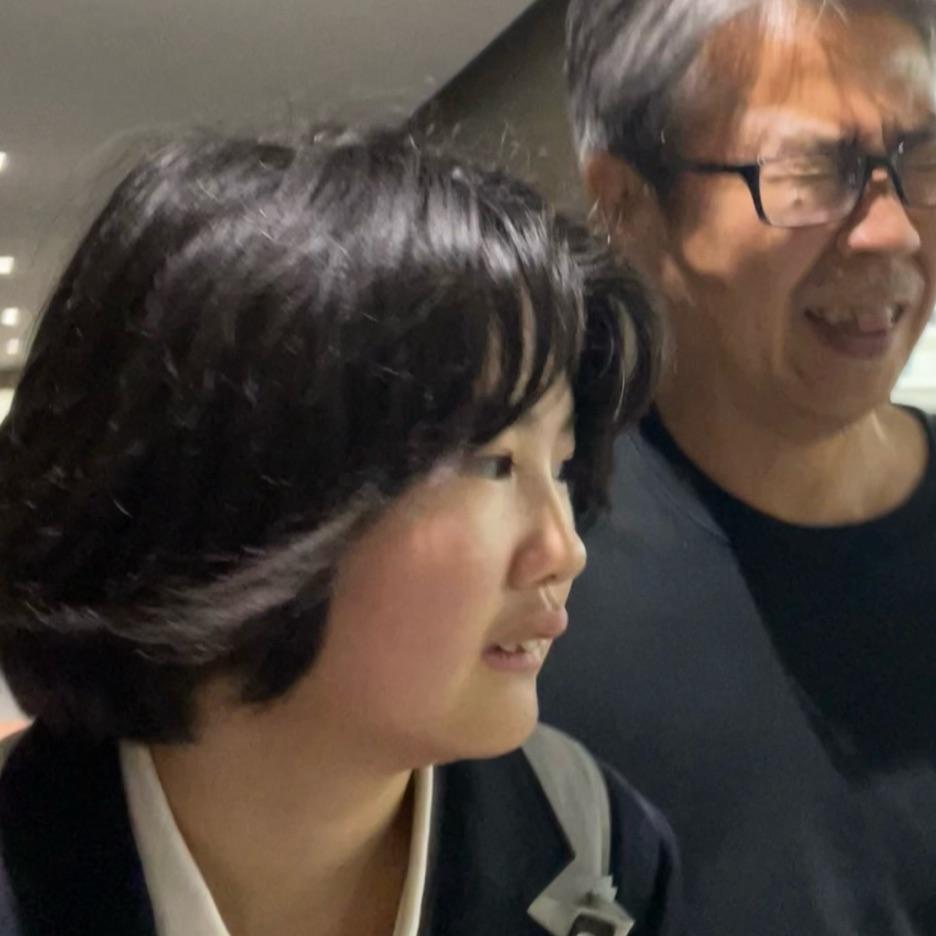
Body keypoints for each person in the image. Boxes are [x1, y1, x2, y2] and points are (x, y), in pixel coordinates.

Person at [0, 127, 686, 936]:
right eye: (493, 463)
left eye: (561, 467)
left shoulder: (594, 845)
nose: (563, 549)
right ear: (234, 489)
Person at [539, 1, 936, 933]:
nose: (895, 232)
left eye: (921, 158)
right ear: (624, 202)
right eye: (811, 171)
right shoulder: (532, 597)